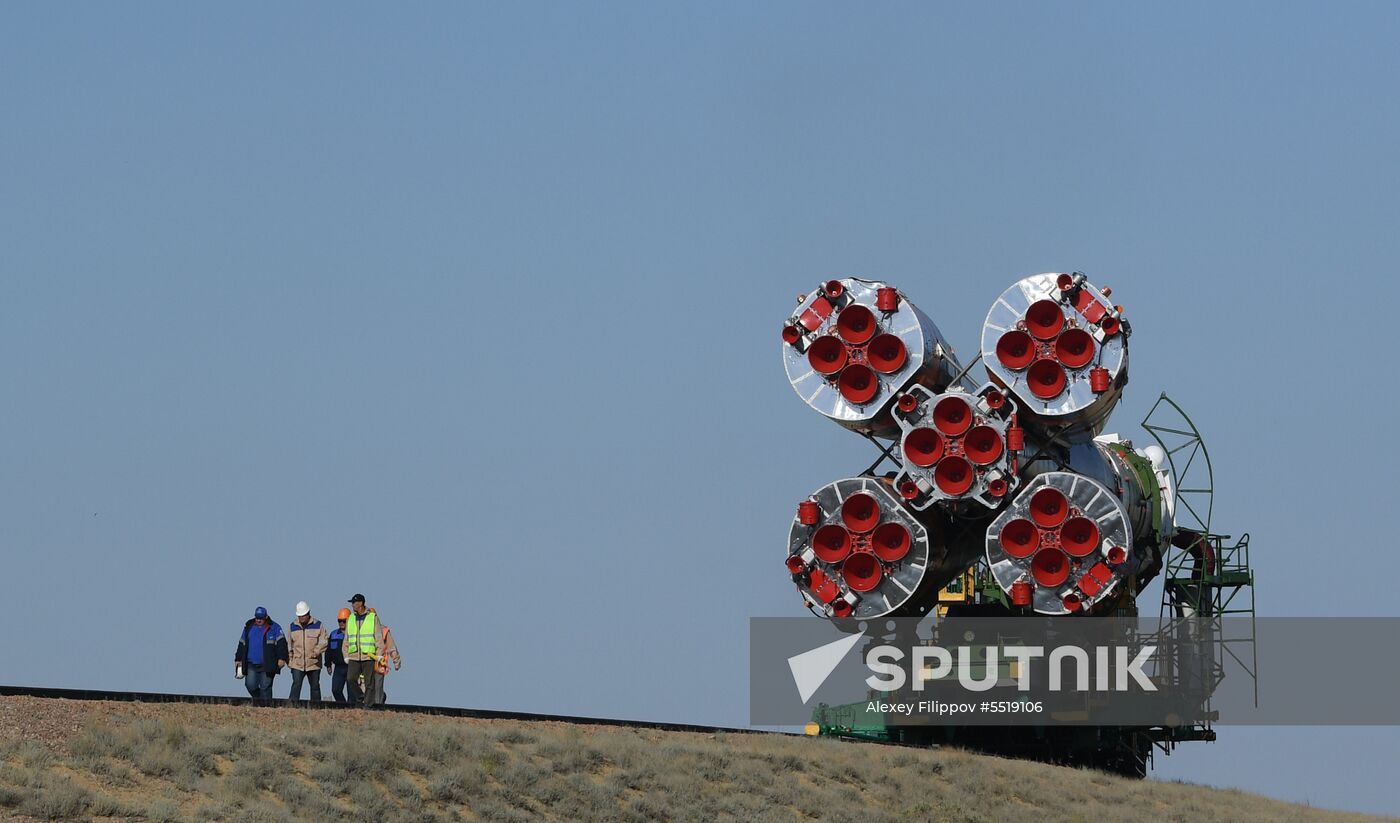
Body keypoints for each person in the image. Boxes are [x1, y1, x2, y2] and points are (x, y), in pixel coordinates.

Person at [343, 594, 400, 708]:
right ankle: (361, 698)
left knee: (371, 684)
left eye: (354, 603)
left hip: (370, 658)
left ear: (360, 603)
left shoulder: (373, 619)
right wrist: (346, 654)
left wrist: (381, 655)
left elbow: (380, 639)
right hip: (354, 656)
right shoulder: (351, 619)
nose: (352, 605)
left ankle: (369, 706)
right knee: (350, 679)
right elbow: (347, 639)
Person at [234, 606, 287, 699]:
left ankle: (267, 708)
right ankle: (260, 701)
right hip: (251, 664)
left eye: (261, 618)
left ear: (266, 617)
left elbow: (282, 644)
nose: (258, 620)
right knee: (250, 685)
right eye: (257, 617)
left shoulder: (275, 628)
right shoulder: (248, 628)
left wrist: (282, 658)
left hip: (268, 665)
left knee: (265, 687)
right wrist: (238, 659)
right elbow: (242, 644)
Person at [286, 601, 328, 702]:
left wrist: (317, 651)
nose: (301, 618)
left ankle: (317, 707)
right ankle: (292, 706)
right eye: (299, 616)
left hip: (313, 663)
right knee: (296, 684)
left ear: (308, 613)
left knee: (315, 686)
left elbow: (324, 640)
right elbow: (289, 645)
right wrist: (290, 661)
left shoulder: (318, 625)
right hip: (297, 663)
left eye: (303, 616)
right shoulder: (292, 626)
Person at [326, 608, 350, 703]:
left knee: (351, 692)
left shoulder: (354, 634)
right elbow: (328, 651)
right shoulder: (334, 634)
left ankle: (352, 710)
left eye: (344, 621)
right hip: (338, 667)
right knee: (335, 690)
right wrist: (328, 664)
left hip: (351, 666)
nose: (341, 623)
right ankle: (343, 706)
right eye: (339, 621)